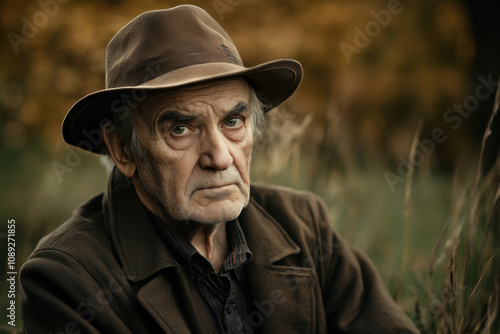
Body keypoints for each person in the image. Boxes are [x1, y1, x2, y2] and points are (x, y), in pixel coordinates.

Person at [20, 5, 419, 334]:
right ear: (123, 149)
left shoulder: (305, 227)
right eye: (180, 128)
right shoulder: (67, 278)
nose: (221, 157)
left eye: (233, 122)